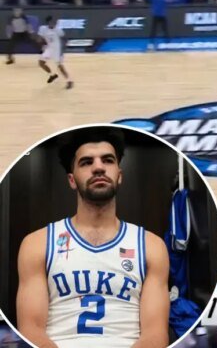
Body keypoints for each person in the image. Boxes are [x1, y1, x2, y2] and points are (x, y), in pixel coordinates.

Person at [16, 127, 170, 348]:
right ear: (72, 180)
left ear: (119, 176)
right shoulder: (38, 244)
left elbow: (155, 335)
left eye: (107, 160)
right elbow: (31, 330)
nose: (98, 167)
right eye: (86, 162)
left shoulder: (151, 246)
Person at [37, 16, 73, 89]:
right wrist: (40, 43)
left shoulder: (58, 30)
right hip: (49, 48)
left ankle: (69, 81)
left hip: (57, 49)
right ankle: (52, 75)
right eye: (52, 22)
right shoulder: (42, 28)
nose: (55, 23)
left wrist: (63, 49)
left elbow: (65, 39)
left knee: (60, 66)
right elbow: (40, 39)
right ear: (48, 22)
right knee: (41, 63)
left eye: (55, 22)